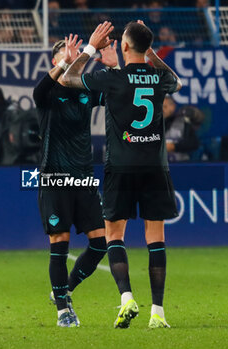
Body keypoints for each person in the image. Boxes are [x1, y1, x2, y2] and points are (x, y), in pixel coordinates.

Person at [63, 20, 182, 329]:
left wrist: (91, 47)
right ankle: (158, 312)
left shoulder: (112, 79)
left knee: (115, 235)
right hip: (155, 168)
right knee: (156, 239)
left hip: (121, 167)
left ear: (124, 46)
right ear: (146, 47)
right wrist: (150, 53)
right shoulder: (157, 78)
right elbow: (177, 83)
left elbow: (69, 77)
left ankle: (127, 297)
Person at [33, 28, 115, 328]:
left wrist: (113, 67)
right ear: (54, 62)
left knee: (100, 243)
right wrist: (63, 63)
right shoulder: (48, 94)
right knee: (60, 242)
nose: (69, 57)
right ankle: (64, 311)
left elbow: (117, 96)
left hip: (83, 177)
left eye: (72, 53)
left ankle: (63, 290)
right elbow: (38, 93)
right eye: (62, 54)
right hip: (54, 177)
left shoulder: (85, 91)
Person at [163, 96, 199, 161]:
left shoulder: (182, 122)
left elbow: (193, 143)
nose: (162, 110)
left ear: (173, 107)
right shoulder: (152, 123)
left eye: (165, 107)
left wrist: (174, 146)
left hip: (181, 164)